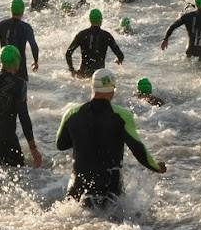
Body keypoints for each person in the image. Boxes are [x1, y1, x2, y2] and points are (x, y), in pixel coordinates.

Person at [55, 69, 166, 207]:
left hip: (78, 185)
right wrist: (156, 167)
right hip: (110, 188)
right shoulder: (122, 115)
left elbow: (61, 144)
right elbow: (137, 149)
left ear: (92, 86)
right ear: (113, 89)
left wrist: (83, 136)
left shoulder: (71, 113)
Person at [0, 0, 40, 79]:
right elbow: (34, 47)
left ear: (11, 10)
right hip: (20, 69)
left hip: (4, 68)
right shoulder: (26, 27)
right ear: (23, 10)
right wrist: (36, 61)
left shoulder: (0, 25)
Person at [65, 9, 125, 78]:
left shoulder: (81, 34)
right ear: (101, 20)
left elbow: (68, 53)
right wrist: (118, 60)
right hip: (99, 75)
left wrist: (72, 70)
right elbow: (120, 55)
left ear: (90, 20)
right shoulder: (107, 36)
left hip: (83, 74)